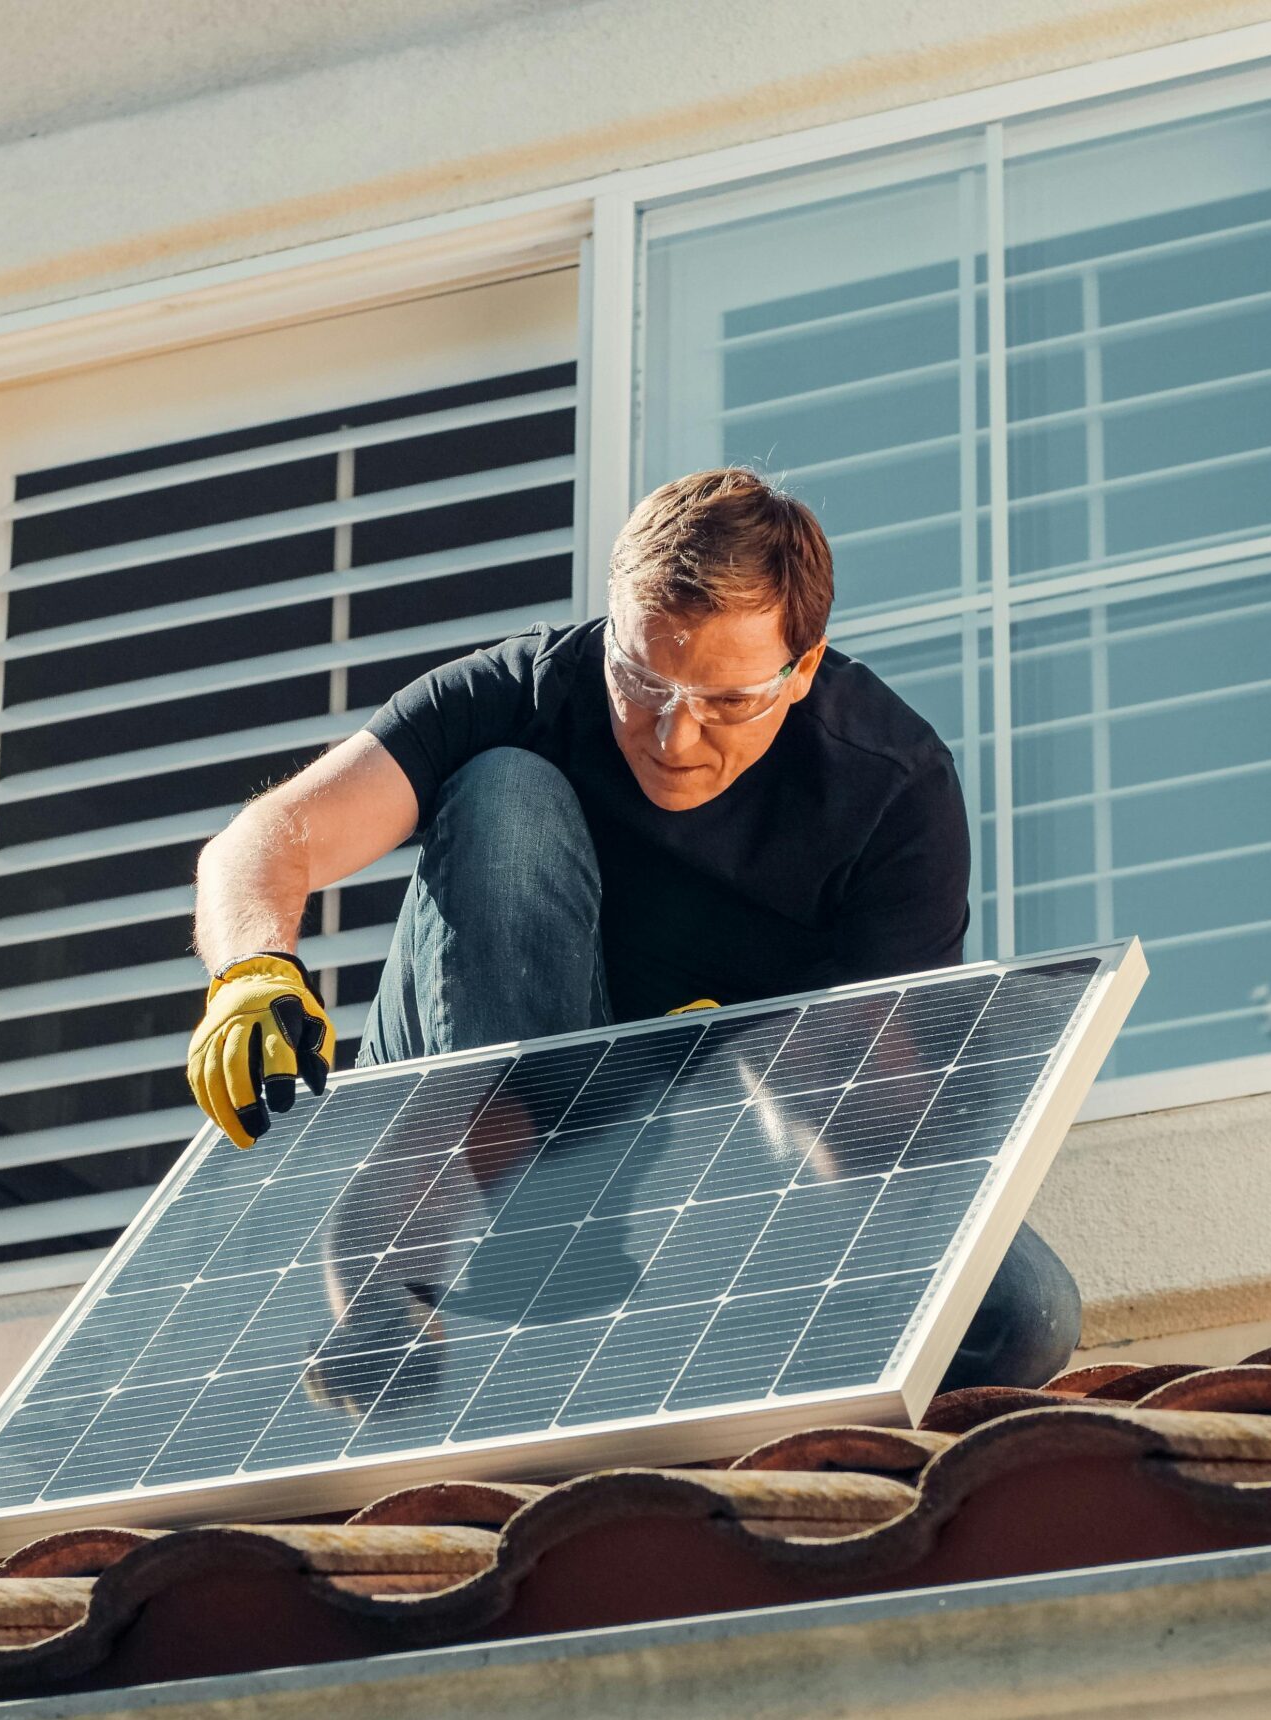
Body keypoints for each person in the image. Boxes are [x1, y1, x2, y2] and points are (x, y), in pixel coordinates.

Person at [182, 467, 1080, 1392]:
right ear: (610, 627)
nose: (673, 736)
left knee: (1020, 1318)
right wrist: (251, 972)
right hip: (497, 1115)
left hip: (713, 1163)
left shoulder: (889, 793)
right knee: (504, 790)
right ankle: (463, 1228)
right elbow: (264, 842)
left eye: (728, 702)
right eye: (641, 679)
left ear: (803, 668)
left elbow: (893, 1139)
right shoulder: (526, 690)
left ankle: (634, 1289)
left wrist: (784, 1082)